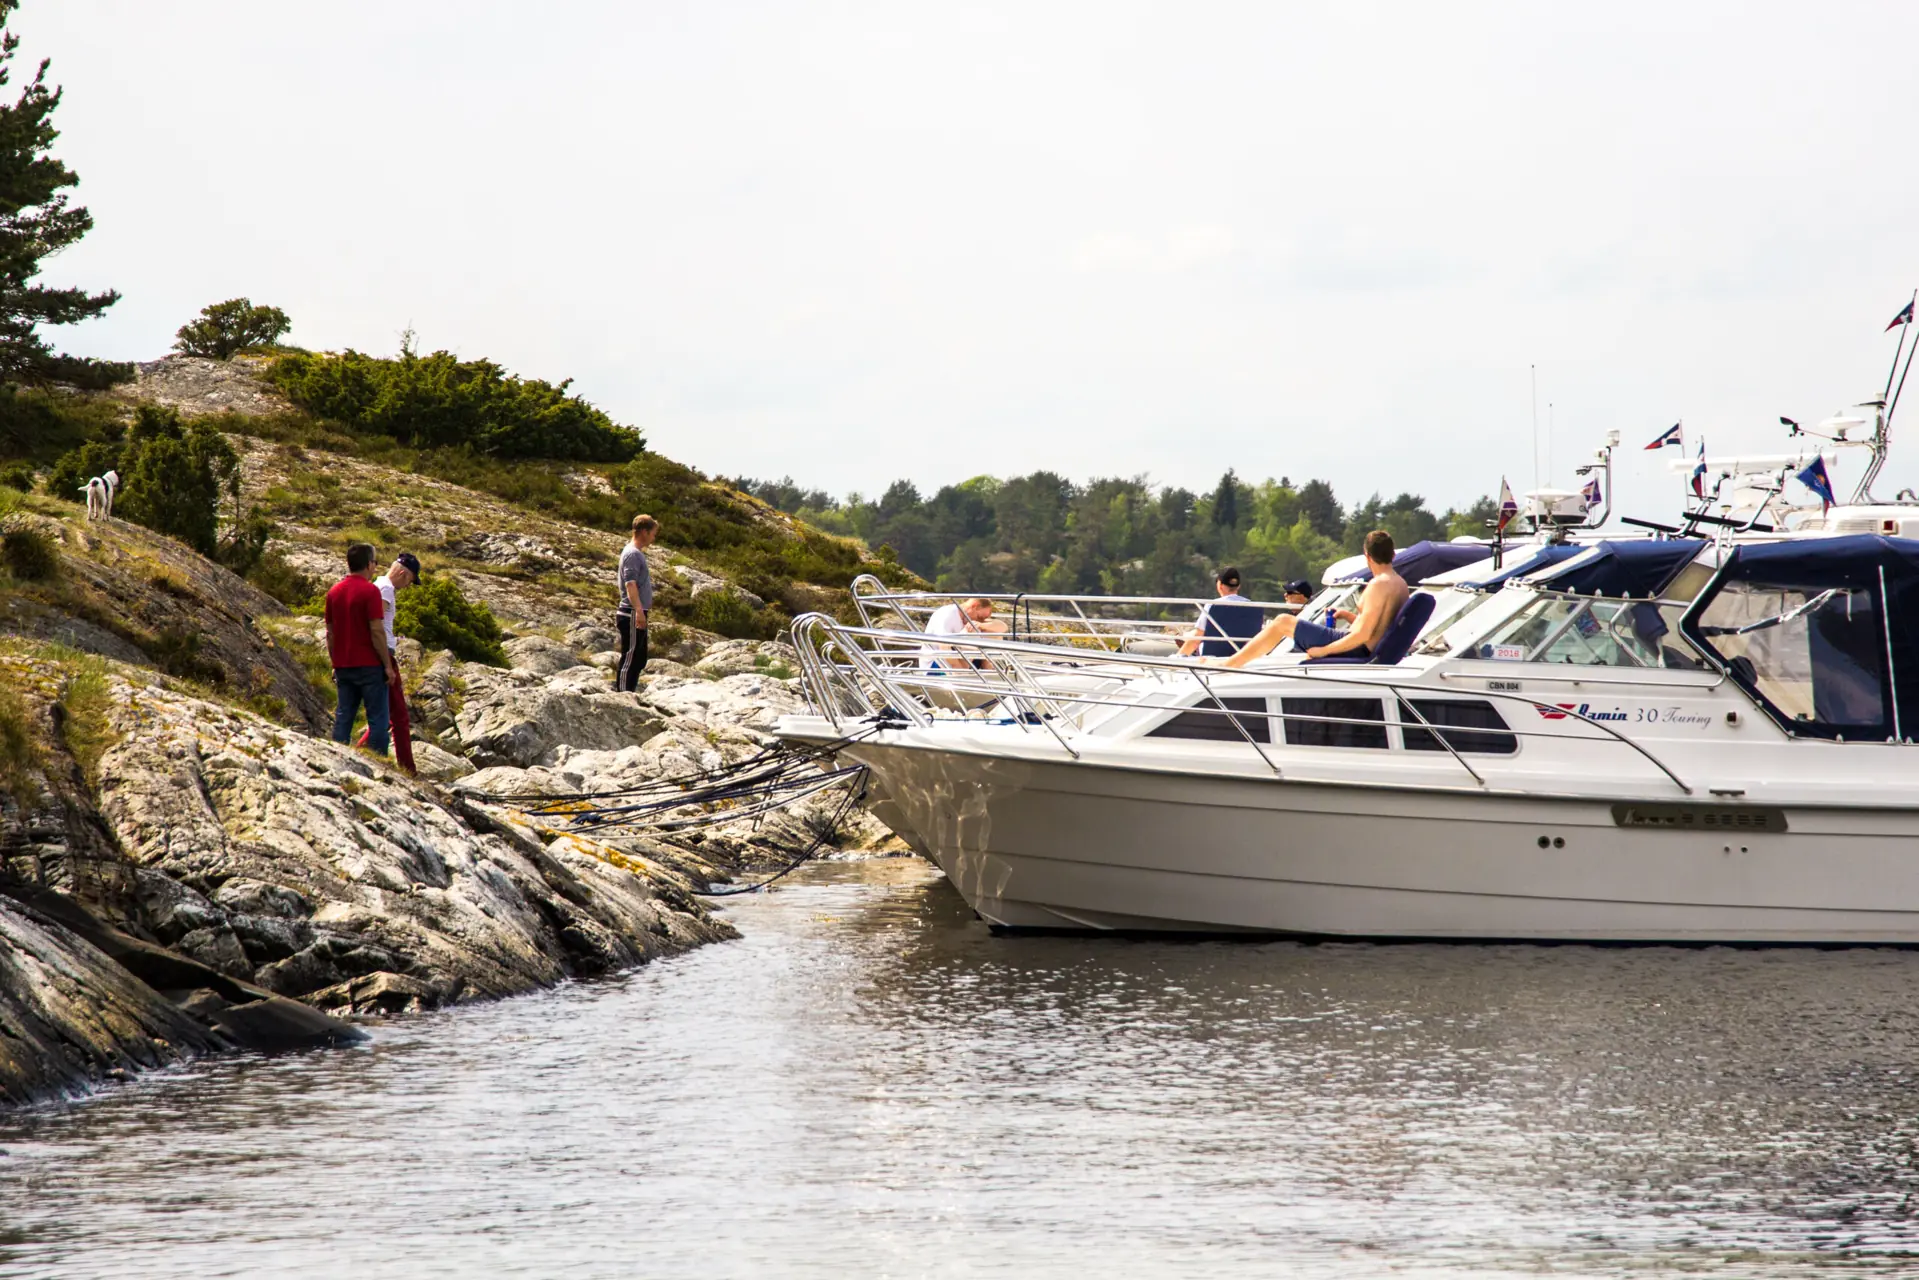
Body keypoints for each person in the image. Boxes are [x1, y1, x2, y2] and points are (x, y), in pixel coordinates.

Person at [1217, 530, 1407, 667]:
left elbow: (1362, 635)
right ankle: (1235, 661)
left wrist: (1324, 651)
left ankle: (1230, 664)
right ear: (1392, 554)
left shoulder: (1378, 585)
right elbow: (1378, 626)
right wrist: (1347, 616)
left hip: (1355, 647)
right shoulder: (1401, 585)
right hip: (1362, 647)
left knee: (1282, 621)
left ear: (1367, 556)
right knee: (1285, 622)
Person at [324, 542, 395, 754]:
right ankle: (379, 761)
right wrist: (387, 665)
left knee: (344, 716)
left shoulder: (334, 592)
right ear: (368, 564)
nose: (375, 567)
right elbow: (376, 630)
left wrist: (335, 662)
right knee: (378, 720)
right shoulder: (370, 591)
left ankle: (336, 755)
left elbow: (330, 633)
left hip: (344, 665)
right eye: (375, 562)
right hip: (369, 665)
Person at [354, 552, 421, 774]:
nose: (408, 586)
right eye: (410, 580)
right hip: (382, 655)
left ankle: (359, 752)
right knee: (399, 716)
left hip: (376, 655)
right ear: (402, 573)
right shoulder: (385, 589)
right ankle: (408, 768)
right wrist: (386, 663)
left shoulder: (379, 585)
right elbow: (376, 624)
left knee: (385, 713)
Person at [615, 514, 658, 691]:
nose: (654, 538)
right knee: (630, 657)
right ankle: (622, 695)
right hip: (631, 612)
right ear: (644, 532)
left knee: (639, 658)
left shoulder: (636, 553)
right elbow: (630, 584)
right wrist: (639, 611)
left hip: (637, 612)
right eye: (653, 534)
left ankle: (630, 691)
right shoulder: (632, 554)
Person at [1177, 567, 1255, 657]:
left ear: (1219, 585)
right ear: (1238, 586)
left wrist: (1177, 657)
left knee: (1191, 636)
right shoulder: (1253, 606)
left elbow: (1196, 639)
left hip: (1212, 657)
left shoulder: (1213, 605)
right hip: (1243, 656)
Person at [921, 597, 1007, 670]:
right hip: (938, 663)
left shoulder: (972, 619)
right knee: (972, 633)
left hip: (963, 660)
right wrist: (959, 671)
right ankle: (966, 673)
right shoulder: (947, 614)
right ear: (974, 606)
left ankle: (989, 671)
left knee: (992, 632)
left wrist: (982, 625)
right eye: (979, 617)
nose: (979, 621)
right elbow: (943, 646)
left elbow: (1003, 627)